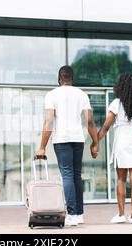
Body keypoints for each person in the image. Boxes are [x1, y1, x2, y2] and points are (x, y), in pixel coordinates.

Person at [36, 65, 98, 226]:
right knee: (76, 175)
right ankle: (79, 214)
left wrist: (42, 146)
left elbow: (49, 120)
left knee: (68, 175)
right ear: (72, 78)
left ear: (59, 79)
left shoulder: (52, 95)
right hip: (78, 139)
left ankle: (71, 215)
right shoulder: (82, 94)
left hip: (62, 139)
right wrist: (95, 142)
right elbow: (90, 121)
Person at [96, 72, 132, 225]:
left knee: (121, 180)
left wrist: (95, 142)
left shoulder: (116, 104)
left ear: (120, 87)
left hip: (122, 143)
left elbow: (106, 127)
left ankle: (121, 214)